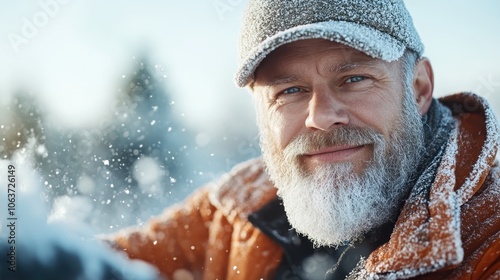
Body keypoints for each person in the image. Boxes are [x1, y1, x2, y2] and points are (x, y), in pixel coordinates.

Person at [107, 0, 500, 279]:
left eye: (354, 79)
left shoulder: (487, 236)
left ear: (418, 88)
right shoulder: (239, 210)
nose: (322, 117)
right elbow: (101, 264)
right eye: (290, 91)